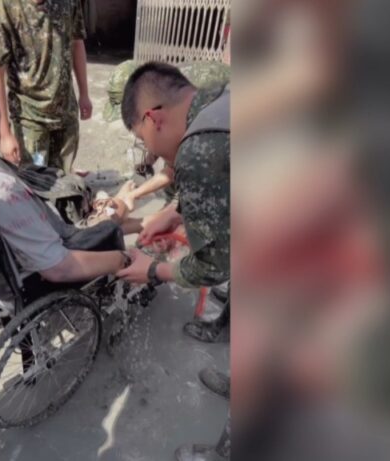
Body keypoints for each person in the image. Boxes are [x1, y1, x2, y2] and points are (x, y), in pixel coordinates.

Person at [116, 62, 230, 461]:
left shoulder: (198, 150)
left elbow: (213, 266)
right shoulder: (218, 92)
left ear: (153, 118)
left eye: (141, 138)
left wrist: (152, 270)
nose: (149, 151)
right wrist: (175, 211)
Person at [0, 58, 127, 283]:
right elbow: (59, 268)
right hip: (42, 276)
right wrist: (122, 260)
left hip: (3, 266)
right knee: (113, 228)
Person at [0, 0, 91, 172]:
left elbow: (77, 42)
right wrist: (5, 134)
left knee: (64, 180)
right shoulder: (0, 6)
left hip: (66, 115)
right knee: (34, 183)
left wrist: (84, 94)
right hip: (29, 120)